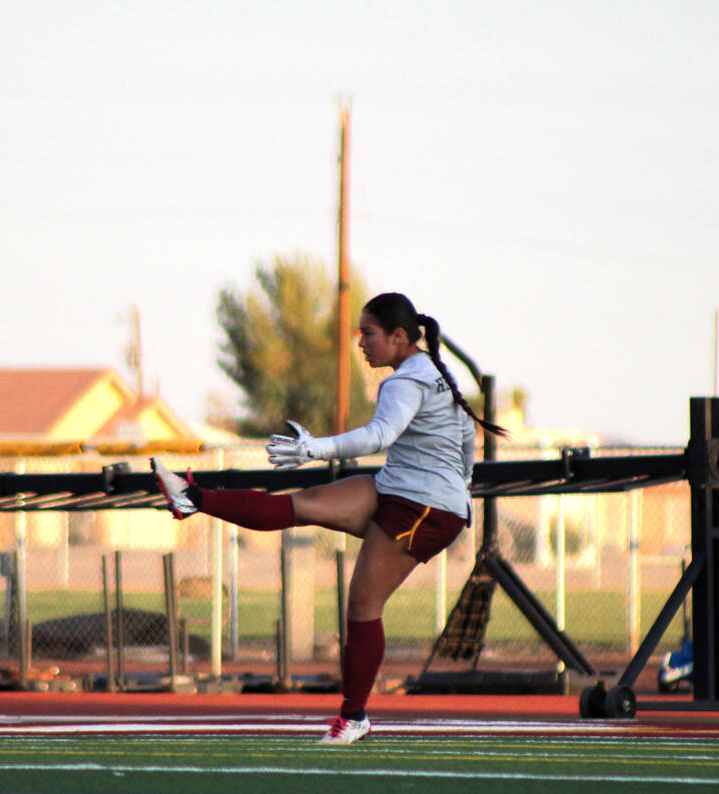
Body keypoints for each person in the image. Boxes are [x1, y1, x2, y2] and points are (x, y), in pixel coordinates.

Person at [151, 292, 506, 744]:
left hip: (422, 507)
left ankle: (353, 718)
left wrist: (315, 448)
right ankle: (192, 498)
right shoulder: (433, 371)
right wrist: (461, 486)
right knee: (301, 505)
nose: (361, 343)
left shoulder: (406, 381)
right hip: (400, 489)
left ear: (399, 336)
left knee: (363, 605)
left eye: (369, 334)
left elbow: (380, 435)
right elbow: (466, 440)